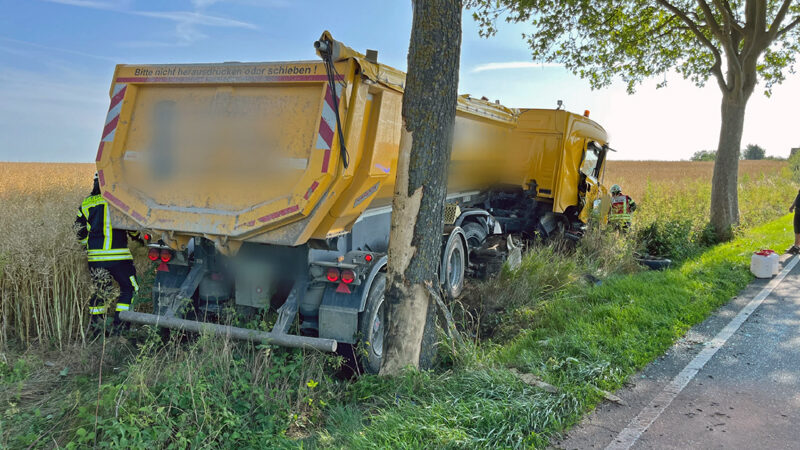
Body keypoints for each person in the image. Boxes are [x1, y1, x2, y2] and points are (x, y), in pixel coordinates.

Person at [75, 173, 140, 332]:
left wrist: (87, 247)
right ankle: (121, 327)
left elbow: (79, 232)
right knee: (130, 289)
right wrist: (138, 238)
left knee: (101, 291)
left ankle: (97, 329)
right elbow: (132, 229)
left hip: (95, 259)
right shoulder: (119, 202)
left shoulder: (86, 203)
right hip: (119, 258)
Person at [787, 188, 800, 254]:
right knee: (797, 229)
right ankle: (796, 247)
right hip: (798, 212)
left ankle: (796, 247)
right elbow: (798, 195)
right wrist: (792, 206)